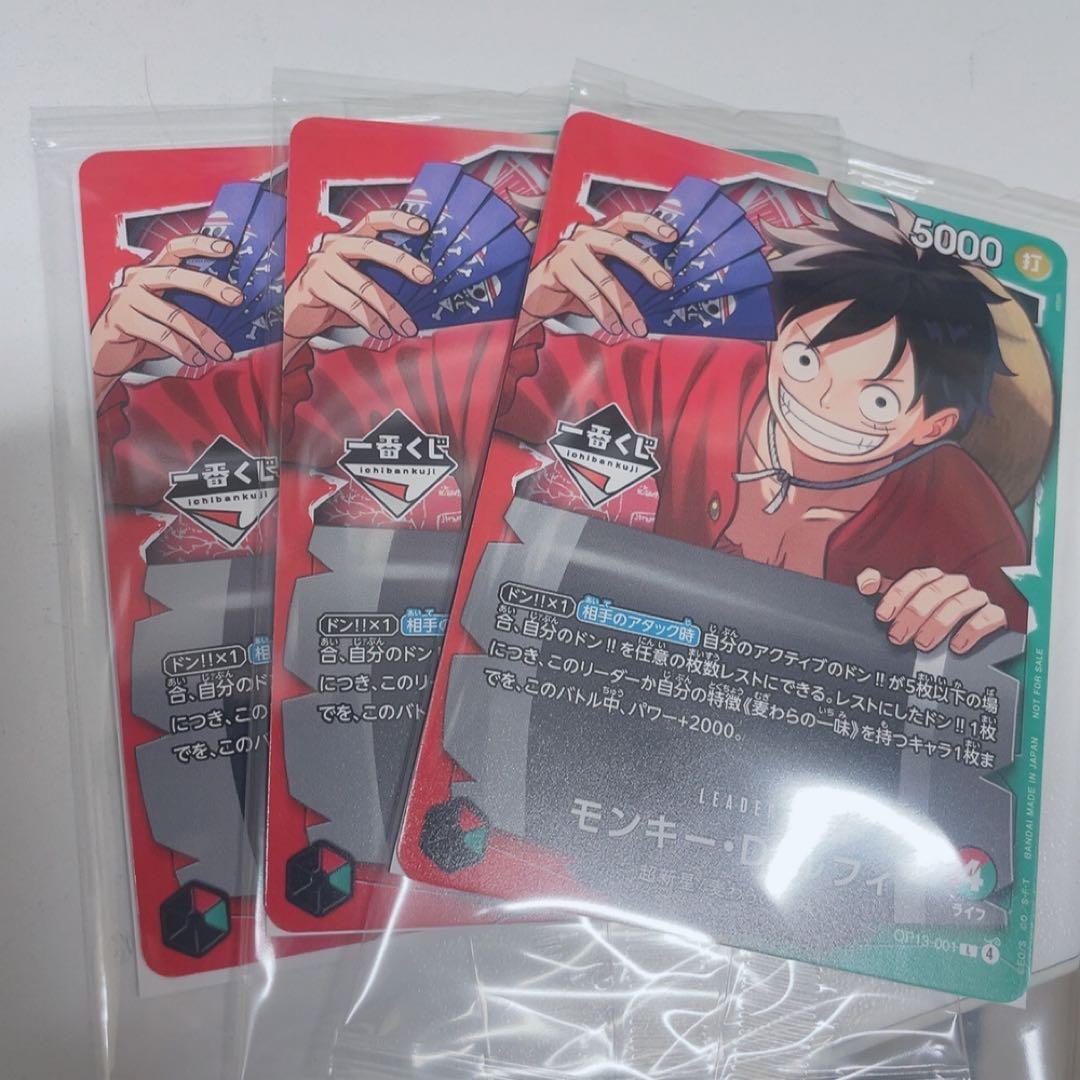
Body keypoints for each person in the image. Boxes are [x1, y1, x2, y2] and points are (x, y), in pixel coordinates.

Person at [501, 184, 1054, 655]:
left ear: (932, 426)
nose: (822, 402)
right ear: (775, 337)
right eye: (805, 361)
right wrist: (530, 304)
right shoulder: (695, 379)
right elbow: (512, 396)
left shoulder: (959, 510)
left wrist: (972, 621)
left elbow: (1010, 648)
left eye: (879, 401)